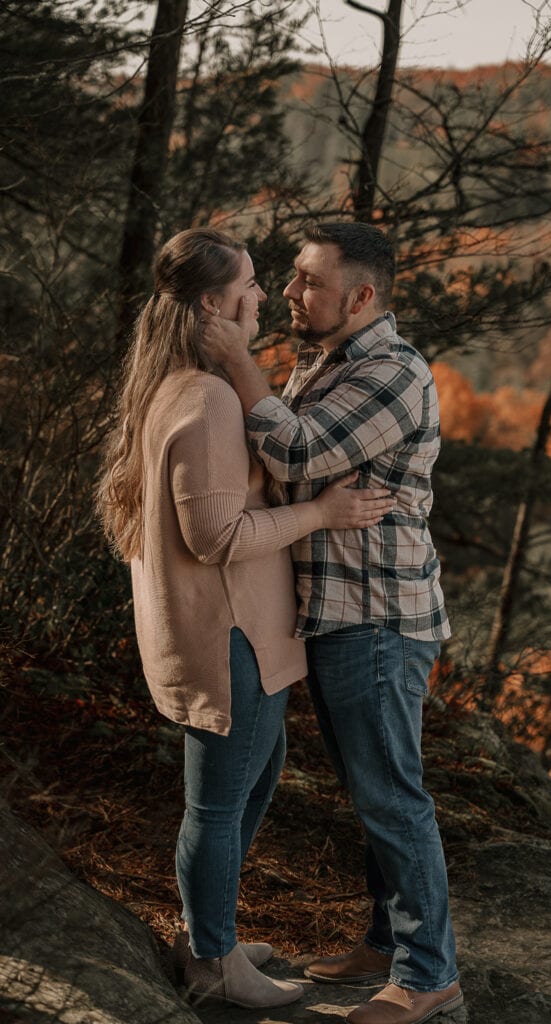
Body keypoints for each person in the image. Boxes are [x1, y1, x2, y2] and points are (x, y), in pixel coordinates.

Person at [96, 226, 393, 1010]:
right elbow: (218, 535)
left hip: (238, 633)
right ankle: (215, 965)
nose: (265, 294)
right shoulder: (206, 400)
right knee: (219, 803)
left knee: (248, 784)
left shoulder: (185, 386)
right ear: (213, 304)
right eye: (252, 283)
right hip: (230, 638)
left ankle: (209, 932)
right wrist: (325, 512)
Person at [202, 221, 464, 1024]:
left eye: (309, 281)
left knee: (391, 797)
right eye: (288, 276)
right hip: (339, 615)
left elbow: (299, 454)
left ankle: (428, 979)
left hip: (379, 619)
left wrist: (238, 362)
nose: (288, 290)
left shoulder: (391, 371)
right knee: (371, 790)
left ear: (359, 296)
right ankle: (386, 944)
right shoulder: (328, 359)